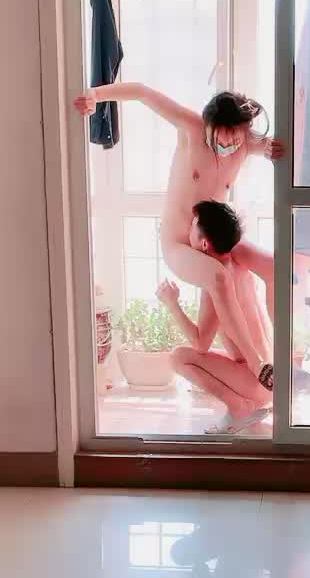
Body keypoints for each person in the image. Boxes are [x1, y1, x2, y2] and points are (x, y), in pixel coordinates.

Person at [74, 84, 282, 389]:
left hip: (214, 241)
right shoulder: (192, 128)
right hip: (179, 244)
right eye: (219, 137)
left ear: (244, 130)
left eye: (234, 138)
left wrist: (271, 149)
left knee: (272, 266)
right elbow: (143, 93)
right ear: (208, 126)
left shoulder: (247, 143)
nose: (226, 144)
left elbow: (273, 145)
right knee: (220, 275)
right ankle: (256, 362)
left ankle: (283, 346)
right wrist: (95, 95)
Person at [156, 200, 273, 435]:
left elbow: (201, 344)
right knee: (221, 357)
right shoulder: (238, 262)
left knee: (179, 358)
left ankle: (238, 406)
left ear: (204, 243)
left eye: (193, 225)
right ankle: (247, 402)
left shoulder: (214, 280)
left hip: (254, 382)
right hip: (267, 371)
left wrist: (172, 304)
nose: (188, 230)